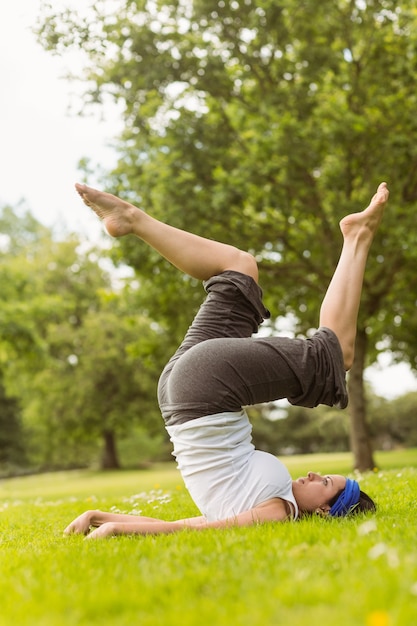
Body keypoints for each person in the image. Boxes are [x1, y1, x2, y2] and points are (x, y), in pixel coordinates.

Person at [64, 181, 389, 539]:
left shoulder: (279, 513)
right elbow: (192, 525)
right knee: (238, 269)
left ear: (326, 511)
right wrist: (97, 516)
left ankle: (357, 236)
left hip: (205, 389)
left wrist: (116, 530)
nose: (314, 475)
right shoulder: (272, 502)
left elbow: (187, 530)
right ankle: (130, 218)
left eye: (326, 482)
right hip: (182, 394)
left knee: (336, 354)